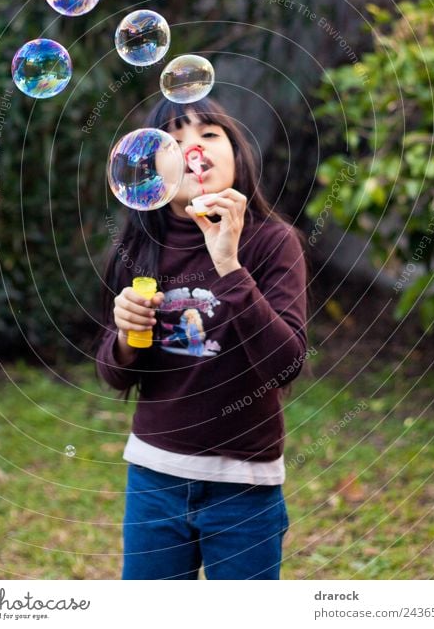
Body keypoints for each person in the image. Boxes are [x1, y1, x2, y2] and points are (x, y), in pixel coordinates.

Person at [95, 96, 308, 580]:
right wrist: (128, 335)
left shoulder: (273, 244)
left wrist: (230, 266)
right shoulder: (138, 247)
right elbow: (112, 371)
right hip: (155, 478)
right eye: (174, 138)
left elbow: (287, 362)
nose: (193, 145)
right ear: (152, 174)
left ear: (236, 152)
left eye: (209, 133)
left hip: (245, 486)